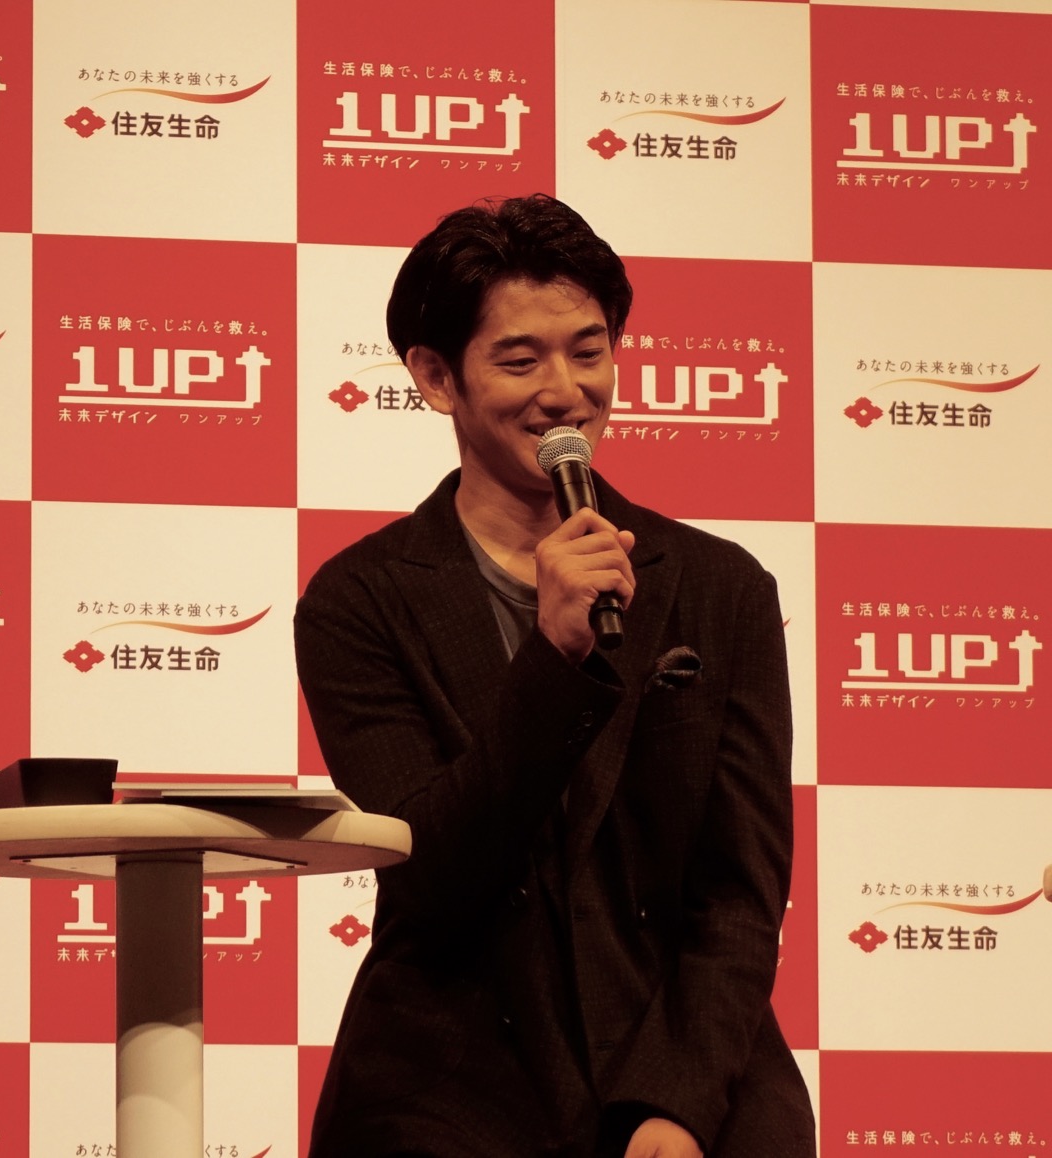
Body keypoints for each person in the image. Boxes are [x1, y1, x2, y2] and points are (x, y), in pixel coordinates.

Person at [294, 194, 815, 1158]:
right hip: (453, 1068)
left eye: (590, 351)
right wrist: (554, 659)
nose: (567, 392)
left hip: (681, 1041)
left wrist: (678, 1102)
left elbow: (742, 890)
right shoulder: (360, 599)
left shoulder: (721, 587)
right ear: (436, 377)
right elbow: (435, 870)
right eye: (520, 360)